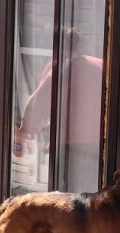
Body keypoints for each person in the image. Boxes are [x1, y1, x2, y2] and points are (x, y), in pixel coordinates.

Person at [19, 41, 103, 194]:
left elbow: (43, 98)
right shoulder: (100, 64)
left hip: (72, 142)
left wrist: (27, 127)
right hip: (99, 140)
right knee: (93, 189)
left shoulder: (64, 66)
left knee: (69, 193)